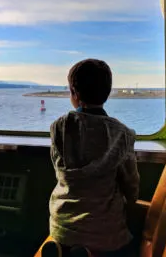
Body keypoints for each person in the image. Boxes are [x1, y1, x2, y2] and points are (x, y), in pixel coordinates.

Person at [45, 59, 140, 257]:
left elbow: (58, 169)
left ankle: (63, 248)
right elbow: (130, 181)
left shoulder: (59, 127)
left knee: (65, 238)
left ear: (74, 93)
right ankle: (84, 252)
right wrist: (131, 201)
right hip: (104, 229)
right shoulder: (121, 134)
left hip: (62, 222)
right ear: (108, 92)